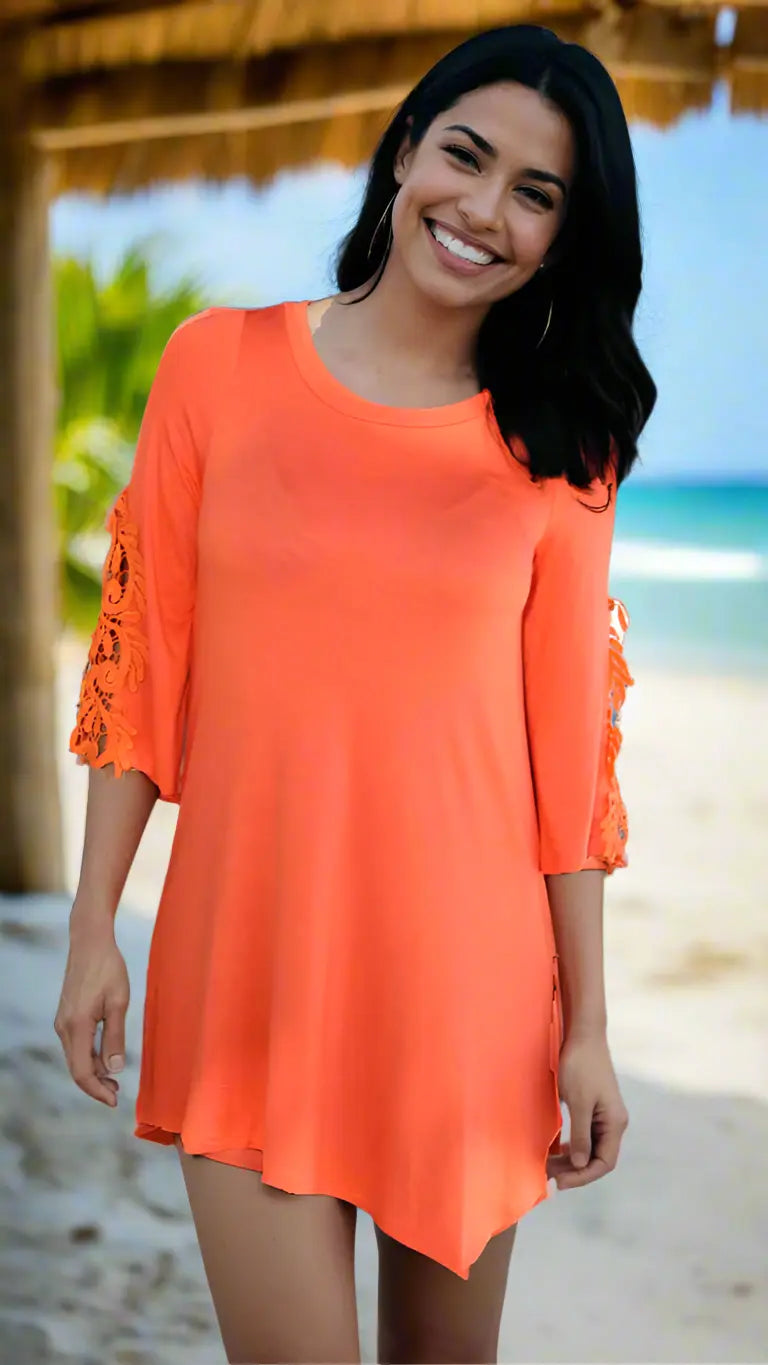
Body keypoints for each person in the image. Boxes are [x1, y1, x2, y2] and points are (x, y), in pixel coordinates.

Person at [54, 21, 656, 1365]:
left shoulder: (564, 453)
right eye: (467, 156)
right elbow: (144, 655)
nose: (484, 211)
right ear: (404, 151)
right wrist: (95, 918)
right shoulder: (216, 368)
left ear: (566, 239)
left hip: (469, 1000)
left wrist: (591, 1030)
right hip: (247, 967)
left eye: (537, 195)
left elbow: (572, 763)